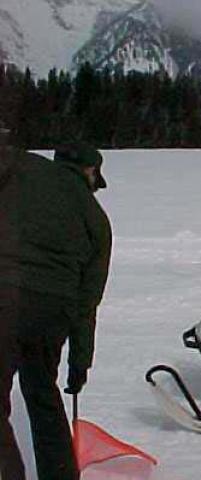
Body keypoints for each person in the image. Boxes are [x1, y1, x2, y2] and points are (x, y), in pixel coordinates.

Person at [0, 142, 112, 480]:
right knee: (42, 391)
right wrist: (79, 363)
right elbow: (86, 302)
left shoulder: (22, 167)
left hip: (6, 295)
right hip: (54, 312)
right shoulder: (97, 219)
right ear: (89, 171)